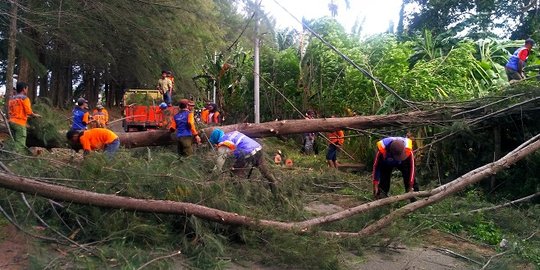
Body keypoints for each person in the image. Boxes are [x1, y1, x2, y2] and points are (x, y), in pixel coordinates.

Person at [209, 128, 278, 192]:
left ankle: (239, 194)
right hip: (257, 148)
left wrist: (212, 177)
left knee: (235, 175)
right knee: (265, 172)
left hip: (246, 152)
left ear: (216, 140)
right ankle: (276, 189)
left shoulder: (223, 143)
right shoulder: (232, 133)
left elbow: (219, 163)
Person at [8, 81, 41, 152]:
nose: (27, 90)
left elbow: (11, 111)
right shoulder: (25, 98)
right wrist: (35, 115)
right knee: (20, 144)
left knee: (13, 140)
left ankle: (9, 155)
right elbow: (28, 111)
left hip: (11, 122)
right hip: (19, 124)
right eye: (27, 89)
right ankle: (16, 159)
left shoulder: (12, 99)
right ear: (24, 89)